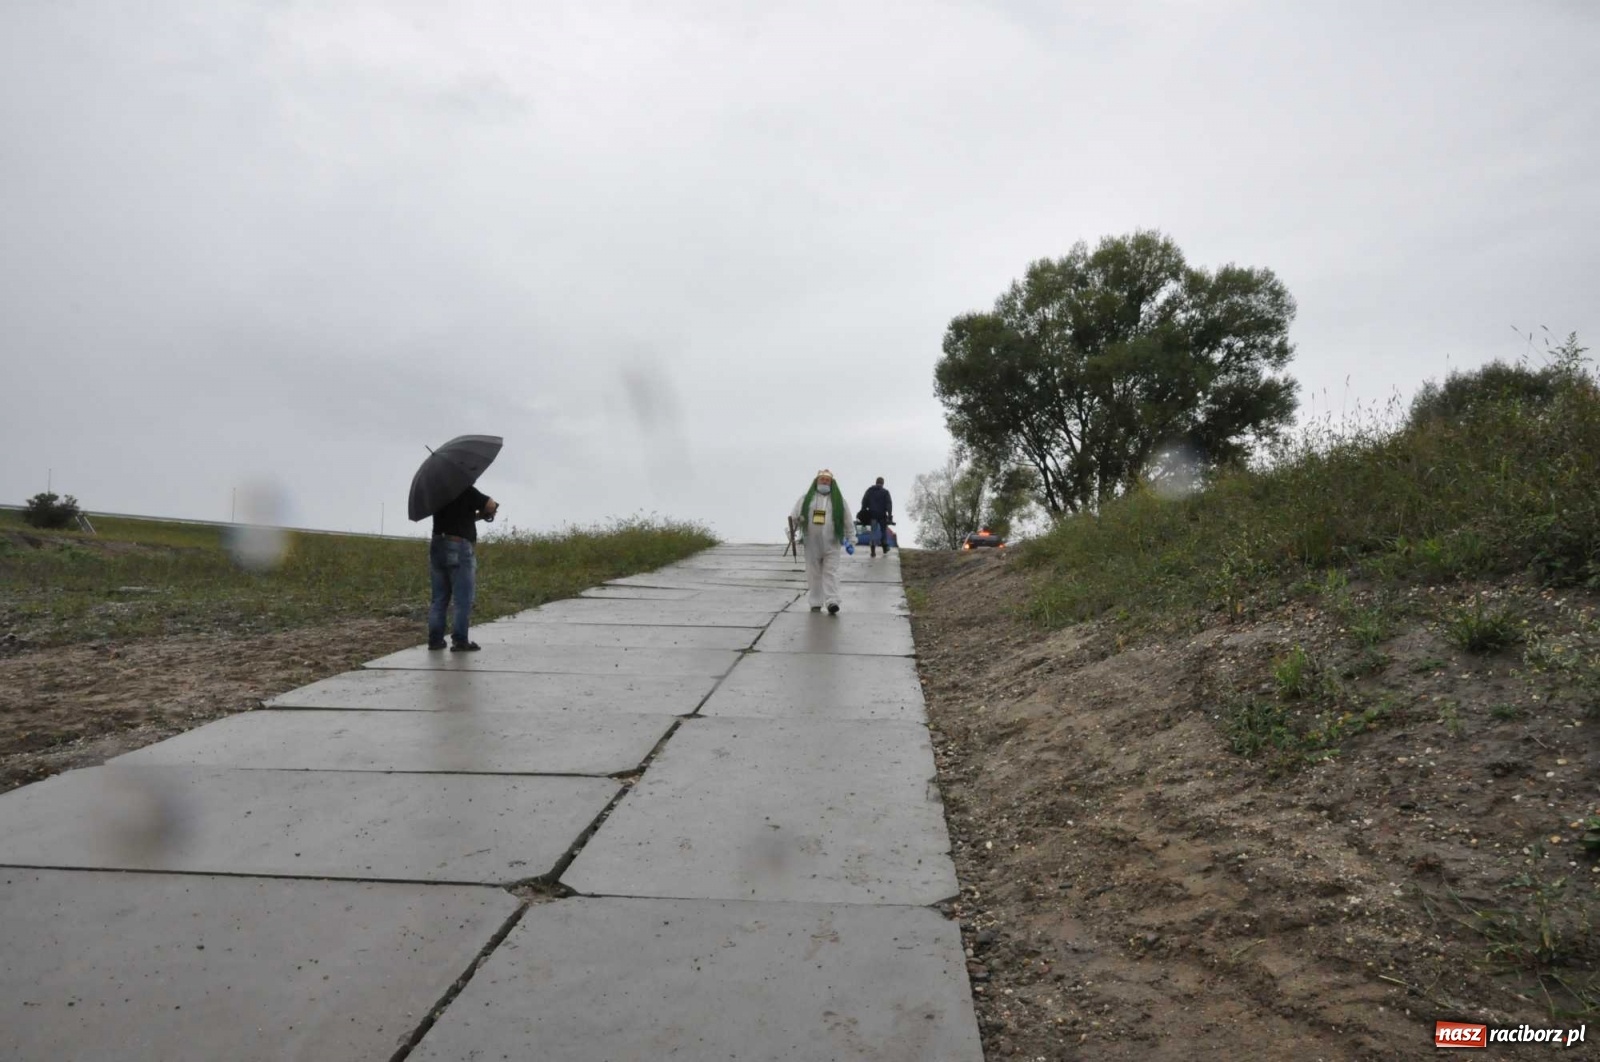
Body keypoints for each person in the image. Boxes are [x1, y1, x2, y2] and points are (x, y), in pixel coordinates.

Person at [428, 485, 498, 651]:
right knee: (462, 598)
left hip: (438, 543)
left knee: (439, 598)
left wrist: (478, 516)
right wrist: (490, 510)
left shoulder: (437, 492)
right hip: (459, 546)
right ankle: (460, 640)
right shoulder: (464, 489)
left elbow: (457, 517)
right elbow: (490, 505)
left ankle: (435, 640)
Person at [789, 469, 853, 614]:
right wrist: (795, 526)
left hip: (832, 543)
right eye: (822, 479)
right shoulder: (805, 499)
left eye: (827, 480)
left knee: (831, 572)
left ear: (832, 483)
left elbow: (848, 521)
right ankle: (816, 602)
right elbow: (793, 517)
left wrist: (851, 540)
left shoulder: (839, 501)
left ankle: (832, 601)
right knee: (814, 573)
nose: (824, 481)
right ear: (816, 481)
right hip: (811, 543)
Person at [861, 476, 894, 558]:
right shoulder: (885, 492)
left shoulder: (870, 490)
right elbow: (889, 504)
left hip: (872, 515)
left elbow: (864, 500)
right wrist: (889, 515)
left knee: (873, 533)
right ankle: (884, 546)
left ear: (876, 482)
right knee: (883, 531)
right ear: (883, 483)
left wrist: (863, 510)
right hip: (882, 515)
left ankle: (873, 552)